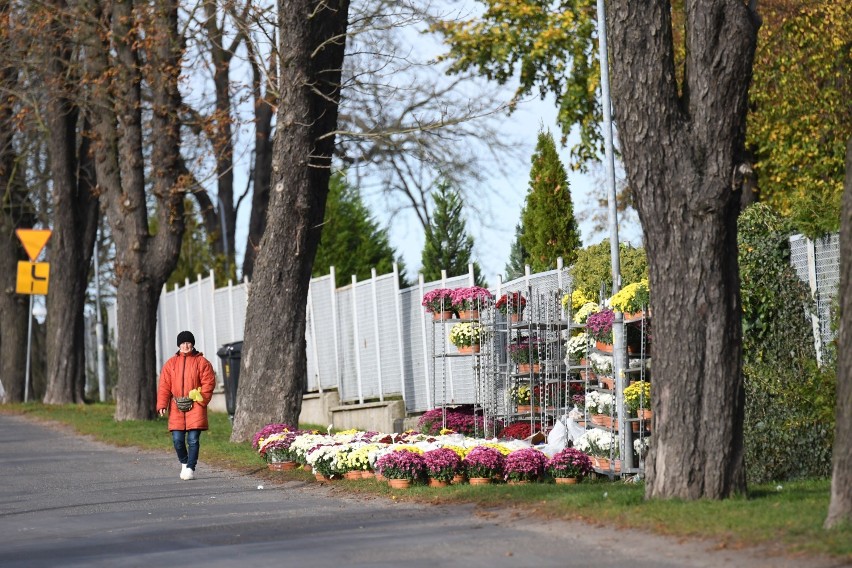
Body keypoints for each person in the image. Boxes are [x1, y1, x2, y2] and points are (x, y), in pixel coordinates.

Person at [156, 331, 216, 480]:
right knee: (177, 440)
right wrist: (162, 404)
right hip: (176, 406)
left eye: (188, 343)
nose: (185, 346)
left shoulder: (202, 362)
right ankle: (184, 462)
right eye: (182, 343)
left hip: (195, 406)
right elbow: (164, 385)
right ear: (179, 345)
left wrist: (201, 399)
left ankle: (190, 467)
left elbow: (209, 382)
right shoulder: (170, 364)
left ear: (193, 344)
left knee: (193, 439)